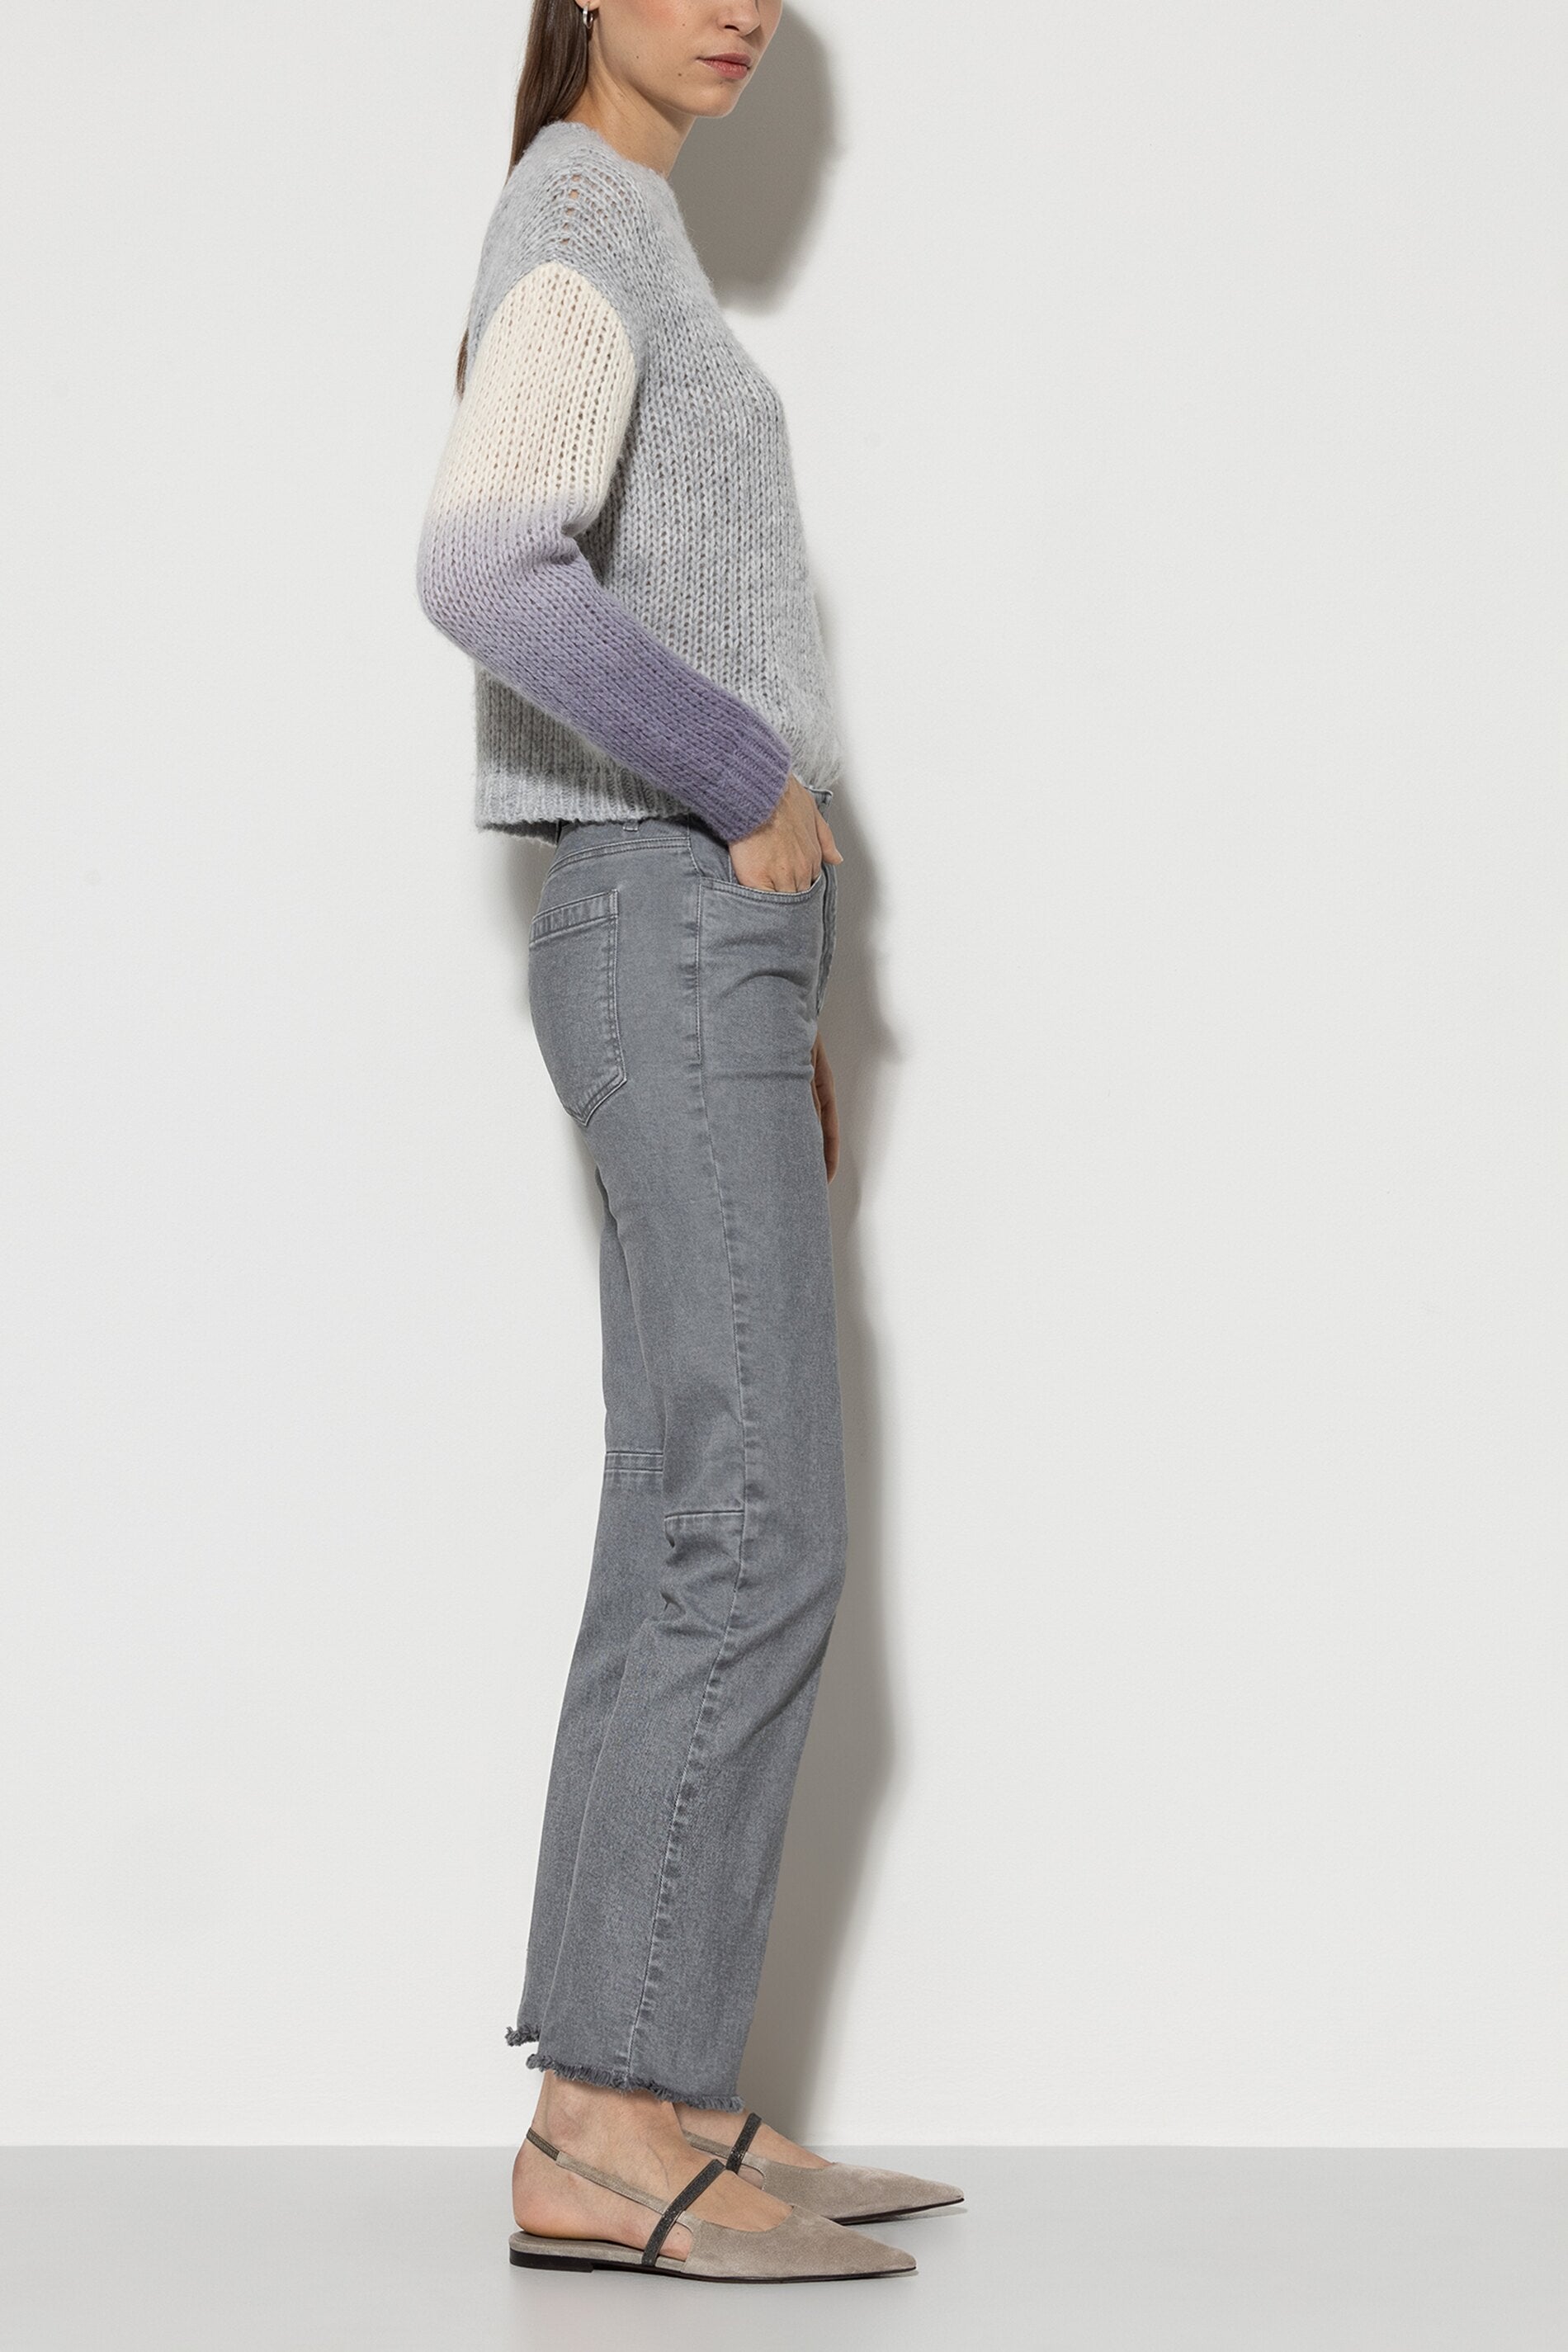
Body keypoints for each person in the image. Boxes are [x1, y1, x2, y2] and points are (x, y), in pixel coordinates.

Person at [415, 0, 962, 2284]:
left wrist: (787, 984)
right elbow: (485, 566)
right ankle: (603, 2120)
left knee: (691, 1514)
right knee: (754, 1521)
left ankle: (647, 2090)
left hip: (693, 948)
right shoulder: (578, 211)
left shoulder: (621, 228)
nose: (742, 4)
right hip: (666, 908)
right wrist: (745, 786)